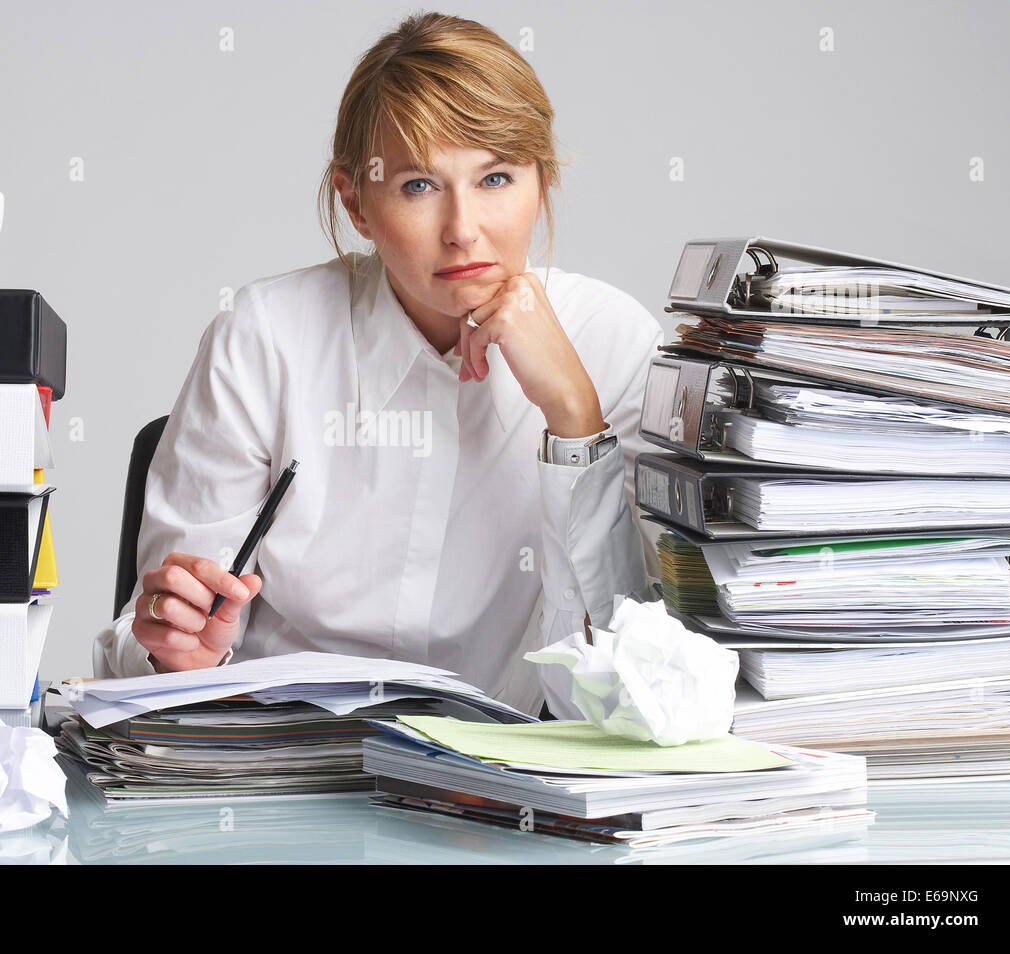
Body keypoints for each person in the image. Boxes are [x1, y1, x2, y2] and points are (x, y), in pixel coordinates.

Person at [92, 11, 665, 719]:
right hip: (279, 773)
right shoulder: (265, 339)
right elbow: (143, 644)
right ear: (355, 201)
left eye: (495, 177)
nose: (463, 229)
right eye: (418, 185)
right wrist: (173, 648)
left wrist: (575, 421)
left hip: (488, 799)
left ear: (541, 183)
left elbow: (614, 699)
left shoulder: (613, 342)